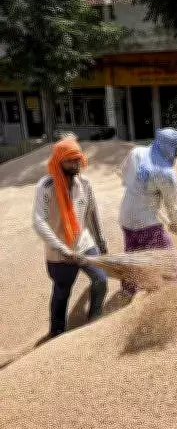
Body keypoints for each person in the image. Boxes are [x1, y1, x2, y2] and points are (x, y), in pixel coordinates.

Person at [32, 134, 108, 339]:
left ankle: (94, 319)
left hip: (83, 243)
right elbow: (39, 222)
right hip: (59, 252)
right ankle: (57, 333)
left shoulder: (85, 184)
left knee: (101, 280)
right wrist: (62, 248)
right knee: (62, 292)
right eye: (70, 160)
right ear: (59, 161)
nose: (75, 164)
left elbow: (92, 214)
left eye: (77, 159)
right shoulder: (46, 187)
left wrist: (101, 241)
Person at [118, 127, 177, 298]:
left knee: (133, 254)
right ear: (169, 147)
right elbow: (172, 204)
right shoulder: (166, 173)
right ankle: (175, 292)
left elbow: (124, 176)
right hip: (147, 223)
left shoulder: (136, 152)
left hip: (126, 216)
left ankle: (128, 290)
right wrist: (176, 223)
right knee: (167, 258)